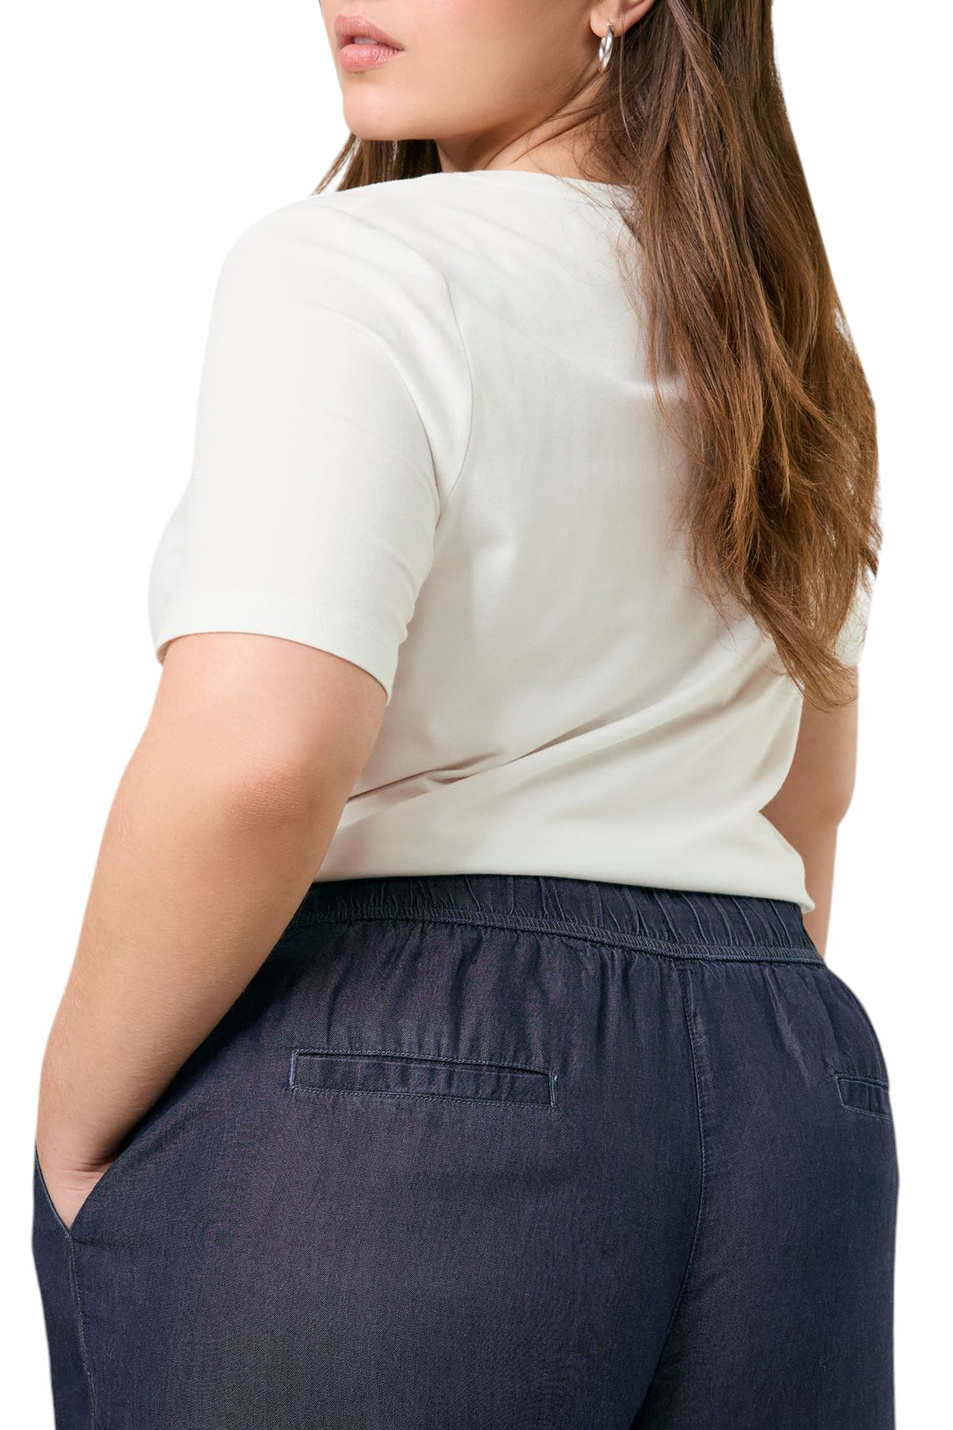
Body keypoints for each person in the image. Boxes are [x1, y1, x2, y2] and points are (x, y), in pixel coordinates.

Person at [31, 3, 898, 1427]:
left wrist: (73, 1127)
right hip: (788, 1092)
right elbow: (805, 799)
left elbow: (258, 756)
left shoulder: (356, 269)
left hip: (402, 1070)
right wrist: (706, 1060)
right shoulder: (786, 345)